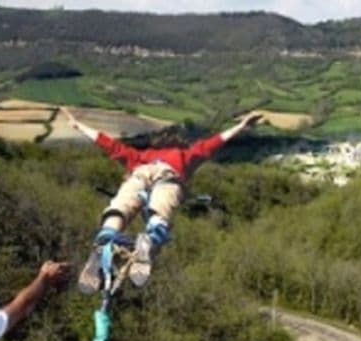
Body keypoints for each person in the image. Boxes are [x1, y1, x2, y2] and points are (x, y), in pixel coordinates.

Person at [63, 108, 262, 291]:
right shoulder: (184, 155)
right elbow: (211, 144)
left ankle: (105, 238)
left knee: (120, 207)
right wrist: (240, 127)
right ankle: (150, 239)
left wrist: (78, 125)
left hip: (140, 173)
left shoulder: (139, 155)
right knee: (159, 211)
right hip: (169, 176)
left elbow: (108, 144)